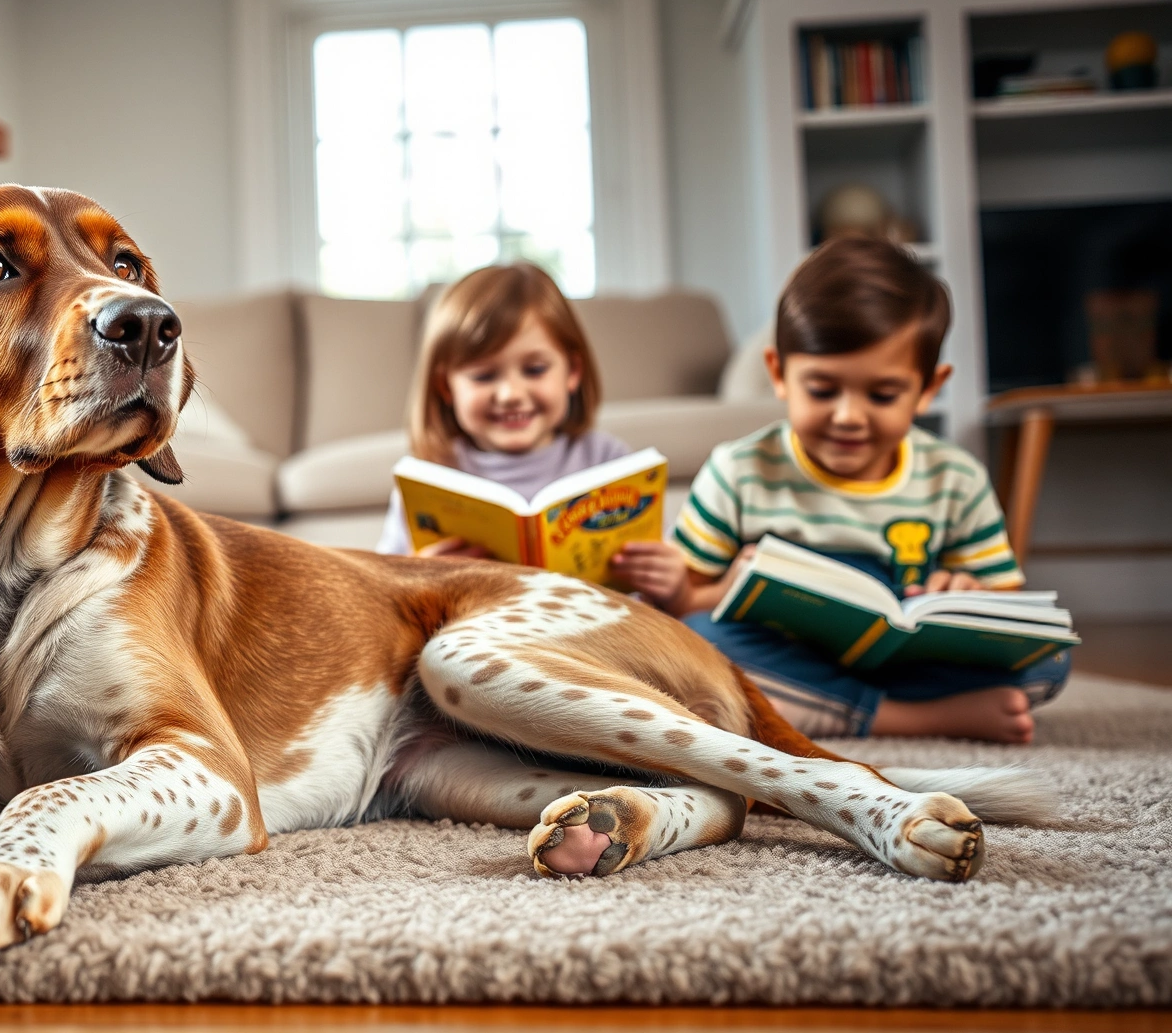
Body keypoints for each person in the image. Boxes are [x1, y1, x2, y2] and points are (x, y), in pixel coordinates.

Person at [616, 236, 1067, 743]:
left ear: (928, 389)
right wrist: (692, 587)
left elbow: (1010, 614)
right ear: (779, 374)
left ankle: (820, 708)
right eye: (823, 390)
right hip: (789, 657)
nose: (848, 416)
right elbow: (685, 606)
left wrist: (969, 593)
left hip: (906, 666)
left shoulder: (955, 478)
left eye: (882, 394)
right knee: (697, 645)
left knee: (1049, 661)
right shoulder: (739, 470)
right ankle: (918, 720)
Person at [375, 262, 640, 559]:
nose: (511, 394)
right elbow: (382, 592)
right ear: (445, 386)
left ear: (572, 371)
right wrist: (419, 575)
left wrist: (673, 585)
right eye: (484, 376)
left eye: (535, 370)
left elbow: (659, 567)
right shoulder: (428, 477)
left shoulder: (609, 460)